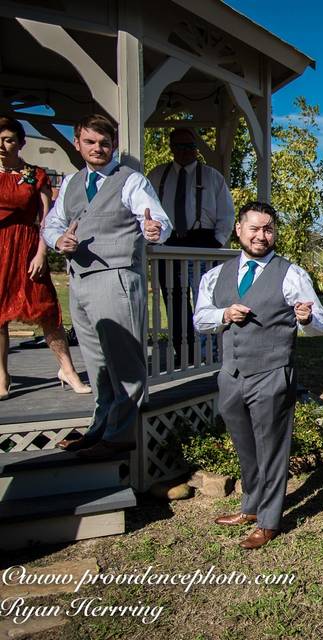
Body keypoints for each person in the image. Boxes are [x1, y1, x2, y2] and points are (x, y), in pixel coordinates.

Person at [194, 201, 323, 549]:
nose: (261, 235)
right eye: (254, 228)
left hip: (272, 372)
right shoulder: (215, 275)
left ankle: (269, 520)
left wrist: (305, 318)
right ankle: (251, 505)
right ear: (238, 229)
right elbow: (200, 319)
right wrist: (224, 315)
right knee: (245, 445)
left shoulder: (291, 274)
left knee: (271, 447)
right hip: (231, 373)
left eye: (268, 228)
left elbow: (320, 326)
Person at [43, 114, 171, 459]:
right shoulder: (71, 182)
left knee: (124, 359)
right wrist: (59, 241)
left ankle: (120, 434)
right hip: (80, 280)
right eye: (90, 142)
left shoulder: (130, 181)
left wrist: (154, 229)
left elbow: (156, 217)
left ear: (113, 144)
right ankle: (100, 428)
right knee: (97, 363)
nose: (98, 148)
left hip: (116, 276)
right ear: (77, 142)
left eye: (104, 142)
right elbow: (51, 223)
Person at [0, 115, 90, 400]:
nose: (2, 145)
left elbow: (47, 219)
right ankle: (1, 376)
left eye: (9, 140)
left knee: (47, 310)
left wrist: (41, 253)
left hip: (26, 247)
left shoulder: (34, 175)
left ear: (20, 143)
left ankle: (68, 370)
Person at [147, 128, 235, 366]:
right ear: (171, 147)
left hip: (203, 243)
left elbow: (227, 214)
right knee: (174, 301)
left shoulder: (212, 176)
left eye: (188, 146)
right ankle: (183, 352)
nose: (184, 151)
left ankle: (209, 354)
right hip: (169, 243)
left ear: (196, 147)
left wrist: (215, 243)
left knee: (204, 299)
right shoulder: (157, 176)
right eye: (178, 146)